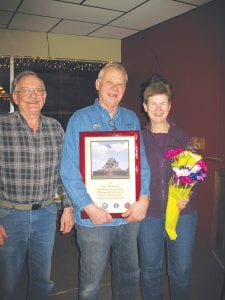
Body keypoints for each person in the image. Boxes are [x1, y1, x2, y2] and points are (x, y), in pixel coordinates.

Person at [60, 62, 151, 300]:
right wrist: (89, 207)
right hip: (94, 220)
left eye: (120, 84)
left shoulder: (131, 118)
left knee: (129, 275)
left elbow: (142, 163)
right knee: (91, 282)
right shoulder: (79, 119)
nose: (114, 88)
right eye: (109, 82)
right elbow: (68, 170)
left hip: (128, 216)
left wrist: (144, 197)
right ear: (98, 84)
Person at [0, 70, 74, 300]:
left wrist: (68, 207)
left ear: (45, 95)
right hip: (9, 216)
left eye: (38, 90)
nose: (33, 96)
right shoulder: (2, 127)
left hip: (45, 214)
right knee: (8, 281)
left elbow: (65, 173)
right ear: (15, 97)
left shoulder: (55, 128)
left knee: (42, 280)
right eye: (26, 91)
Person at [138, 80, 197, 300]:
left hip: (182, 214)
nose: (158, 109)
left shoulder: (182, 138)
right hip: (149, 215)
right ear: (145, 106)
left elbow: (194, 174)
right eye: (153, 103)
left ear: (170, 106)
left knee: (180, 272)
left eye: (163, 103)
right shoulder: (138, 139)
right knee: (150, 270)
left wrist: (188, 195)